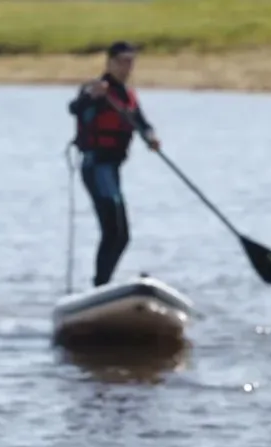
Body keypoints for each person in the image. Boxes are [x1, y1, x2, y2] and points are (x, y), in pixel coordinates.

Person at [69, 40, 160, 288]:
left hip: (112, 170)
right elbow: (75, 108)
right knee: (114, 232)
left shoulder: (127, 95)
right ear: (110, 63)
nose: (127, 67)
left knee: (122, 235)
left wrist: (150, 136)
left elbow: (142, 122)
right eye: (122, 62)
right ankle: (100, 286)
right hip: (96, 167)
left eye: (131, 62)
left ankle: (102, 284)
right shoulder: (95, 89)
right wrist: (90, 96)